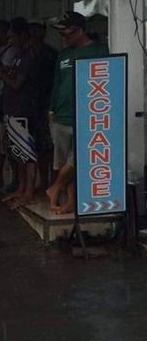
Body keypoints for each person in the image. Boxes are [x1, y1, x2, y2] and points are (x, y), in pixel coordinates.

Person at [46, 11, 109, 214]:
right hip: (60, 116)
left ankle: (55, 187)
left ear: (79, 31)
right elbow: (57, 83)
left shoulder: (100, 51)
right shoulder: (63, 55)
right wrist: (51, 109)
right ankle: (70, 201)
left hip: (89, 116)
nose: (63, 39)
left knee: (81, 158)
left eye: (66, 34)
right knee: (65, 161)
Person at [0, 17, 40, 208]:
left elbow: (16, 83)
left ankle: (28, 191)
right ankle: (22, 188)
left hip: (23, 110)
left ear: (22, 35)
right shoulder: (18, 57)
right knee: (17, 153)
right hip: (12, 110)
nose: (9, 39)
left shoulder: (28, 58)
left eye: (12, 36)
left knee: (26, 153)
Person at [0, 19, 20, 193]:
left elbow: (8, 77)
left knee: (12, 146)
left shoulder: (12, 52)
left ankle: (15, 180)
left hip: (11, 104)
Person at [28, 21, 58, 192]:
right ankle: (44, 180)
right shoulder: (27, 54)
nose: (34, 37)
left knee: (50, 147)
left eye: (36, 33)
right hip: (33, 106)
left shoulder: (50, 54)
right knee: (39, 146)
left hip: (47, 105)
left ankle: (53, 181)